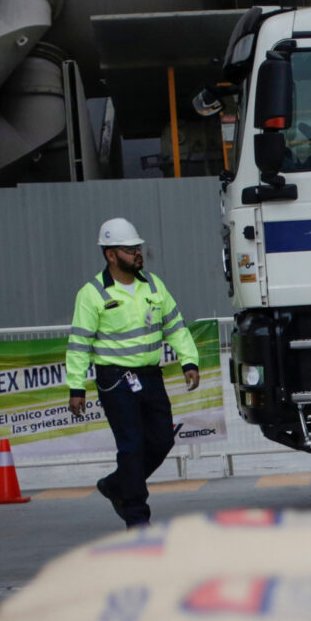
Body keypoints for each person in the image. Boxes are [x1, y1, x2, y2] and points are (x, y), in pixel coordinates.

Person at [66, 218, 201, 528]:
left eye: (138, 248)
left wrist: (189, 361)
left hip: (150, 376)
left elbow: (175, 327)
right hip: (115, 380)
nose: (138, 253)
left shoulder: (153, 285)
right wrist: (76, 387)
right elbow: (79, 345)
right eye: (130, 250)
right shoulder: (92, 293)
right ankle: (137, 517)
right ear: (111, 255)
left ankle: (117, 485)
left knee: (162, 440)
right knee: (132, 446)